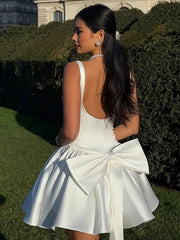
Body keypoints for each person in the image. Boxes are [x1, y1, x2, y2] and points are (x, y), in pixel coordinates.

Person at [22, 4, 159, 240]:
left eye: (79, 31)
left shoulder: (75, 69)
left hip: (79, 167)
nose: (73, 37)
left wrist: (59, 139)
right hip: (110, 163)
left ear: (100, 35)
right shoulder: (125, 72)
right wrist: (103, 140)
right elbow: (132, 126)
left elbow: (71, 131)